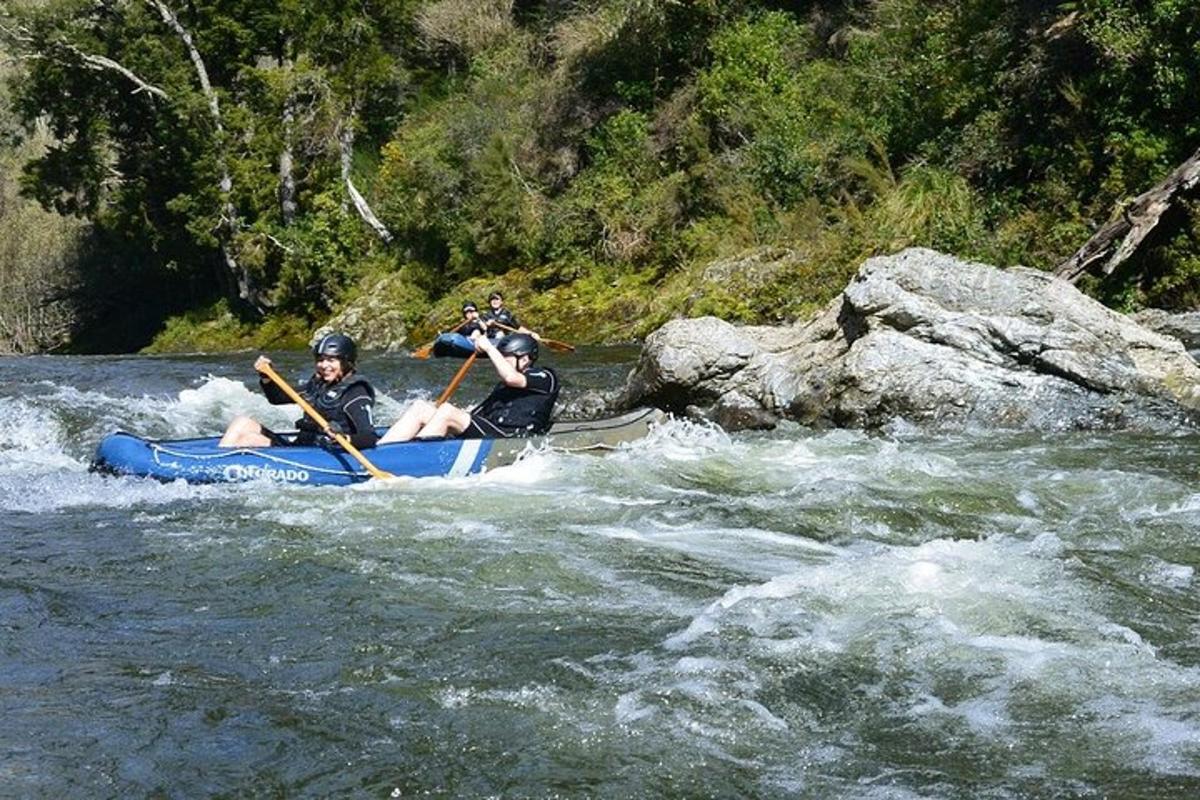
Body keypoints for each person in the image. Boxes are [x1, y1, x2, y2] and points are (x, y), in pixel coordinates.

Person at [379, 332, 558, 443]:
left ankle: (413, 457)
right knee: (422, 408)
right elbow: (479, 414)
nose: (501, 361)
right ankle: (381, 452)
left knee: (448, 412)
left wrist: (489, 348)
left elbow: (511, 377)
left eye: (507, 357)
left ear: (525, 359)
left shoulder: (545, 376)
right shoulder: (503, 386)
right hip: (492, 430)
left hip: (510, 436)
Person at [219, 332, 379, 450]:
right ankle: (215, 461)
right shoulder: (318, 385)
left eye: (331, 360)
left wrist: (344, 438)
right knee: (242, 423)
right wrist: (266, 377)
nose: (324, 366)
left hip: (322, 453)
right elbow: (278, 398)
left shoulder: (356, 392)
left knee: (249, 440)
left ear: (346, 362)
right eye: (320, 360)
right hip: (302, 446)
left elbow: (369, 437)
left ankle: (216, 470)